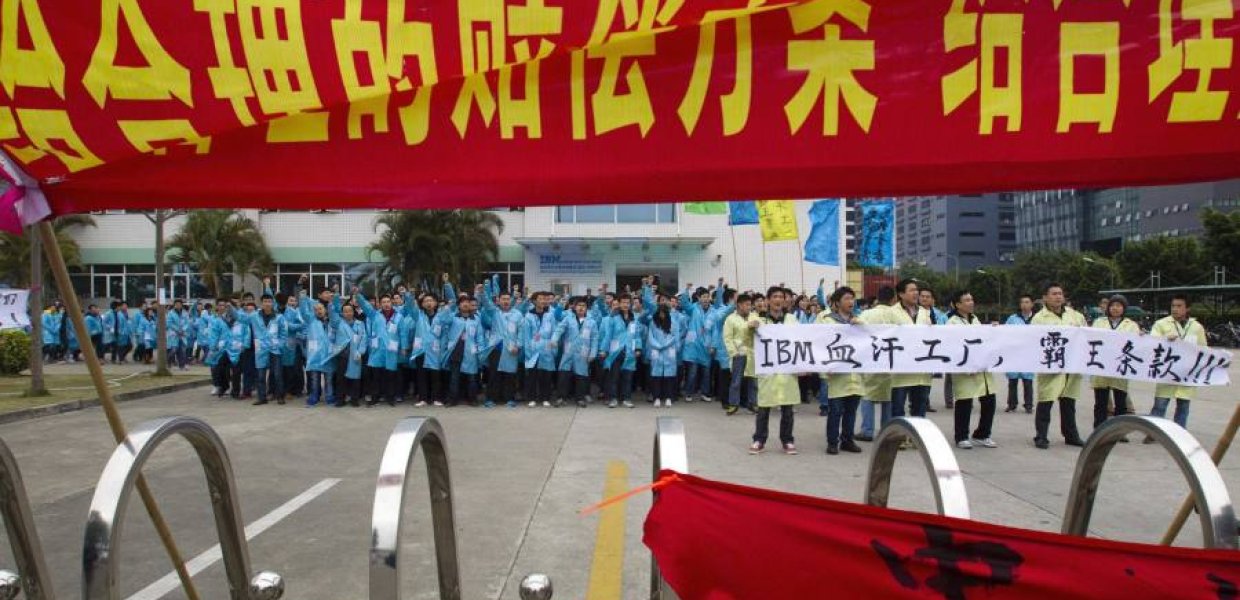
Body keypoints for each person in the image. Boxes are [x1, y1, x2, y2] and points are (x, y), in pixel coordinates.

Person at [1031, 282, 1087, 449]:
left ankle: (1071, 435)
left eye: (1060, 294)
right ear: (1045, 298)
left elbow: (1086, 335)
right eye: (1054, 294)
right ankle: (1041, 436)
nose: (1058, 297)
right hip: (1051, 366)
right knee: (1046, 401)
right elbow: (1035, 342)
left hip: (1071, 365)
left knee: (1069, 403)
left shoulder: (1075, 315)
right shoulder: (1039, 318)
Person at [1146, 294, 1207, 434]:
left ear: (1187, 308)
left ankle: (1179, 434)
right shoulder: (1161, 324)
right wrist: (1164, 339)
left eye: (1179, 306)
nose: (1175, 309)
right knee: (1160, 405)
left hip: (1187, 374)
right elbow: (1151, 342)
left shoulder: (1196, 327)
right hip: (1167, 372)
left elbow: (1204, 349)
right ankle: (1153, 433)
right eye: (1173, 306)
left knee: (1183, 406)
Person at [750, 286, 799, 455]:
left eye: (781, 296)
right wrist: (751, 327)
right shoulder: (759, 320)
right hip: (768, 370)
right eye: (775, 296)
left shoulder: (792, 319)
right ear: (768, 300)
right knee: (763, 408)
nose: (779, 299)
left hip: (787, 370)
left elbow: (802, 340)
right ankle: (759, 439)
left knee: (788, 409)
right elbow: (747, 338)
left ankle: (787, 440)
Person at [947, 291, 998, 449]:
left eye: (972, 299)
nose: (971, 302)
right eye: (967, 300)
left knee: (989, 400)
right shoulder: (952, 322)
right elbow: (953, 345)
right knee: (964, 402)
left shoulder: (975, 319)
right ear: (957, 304)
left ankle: (982, 434)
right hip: (965, 370)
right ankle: (961, 436)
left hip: (981, 369)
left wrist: (991, 329)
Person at [817, 287, 863, 455]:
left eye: (852, 298)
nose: (851, 302)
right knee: (835, 411)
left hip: (855, 374)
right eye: (847, 298)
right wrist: (824, 367)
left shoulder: (858, 321)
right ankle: (832, 442)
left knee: (851, 411)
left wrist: (862, 326)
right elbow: (819, 344)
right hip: (836, 374)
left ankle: (847, 440)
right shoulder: (827, 321)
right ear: (837, 303)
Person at [1090, 294, 1139, 430]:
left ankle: (1118, 431)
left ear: (1124, 308)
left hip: (1120, 368)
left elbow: (1136, 343)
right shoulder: (1100, 322)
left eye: (1119, 306)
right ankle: (1099, 428)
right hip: (1102, 368)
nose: (1115, 308)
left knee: (1121, 402)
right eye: (1113, 305)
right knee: (1101, 402)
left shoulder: (1131, 325)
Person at [855, 286, 896, 441]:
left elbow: (858, 330)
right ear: (894, 299)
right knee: (889, 397)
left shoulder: (867, 314)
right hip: (892, 359)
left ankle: (867, 430)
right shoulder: (897, 314)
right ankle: (887, 431)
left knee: (867, 395)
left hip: (871, 358)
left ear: (877, 298)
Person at [355, 289, 405, 407]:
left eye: (388, 301)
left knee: (391, 375)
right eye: (384, 302)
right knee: (376, 376)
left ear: (392, 302)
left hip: (391, 350)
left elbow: (402, 333)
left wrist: (403, 347)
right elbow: (365, 306)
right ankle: (375, 398)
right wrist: (358, 295)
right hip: (377, 350)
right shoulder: (375, 315)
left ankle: (390, 397)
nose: (386, 304)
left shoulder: (399, 317)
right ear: (380, 304)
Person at [890, 279, 932, 417]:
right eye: (912, 290)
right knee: (897, 411)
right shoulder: (891, 313)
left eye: (916, 290)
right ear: (901, 294)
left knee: (919, 410)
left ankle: (916, 437)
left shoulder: (924, 312)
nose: (916, 293)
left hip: (921, 371)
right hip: (900, 372)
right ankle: (898, 438)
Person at [480, 277, 523, 408]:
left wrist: (518, 345)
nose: (505, 301)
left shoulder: (518, 314)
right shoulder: (495, 313)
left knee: (510, 374)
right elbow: (487, 303)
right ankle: (490, 399)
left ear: (511, 300)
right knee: (494, 374)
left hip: (511, 348)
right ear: (498, 301)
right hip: (497, 347)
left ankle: (509, 398)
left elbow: (521, 331)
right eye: (503, 299)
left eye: (507, 299)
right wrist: (482, 293)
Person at [552, 296, 599, 408]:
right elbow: (559, 330)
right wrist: (554, 340)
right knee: (564, 375)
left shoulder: (591, 322)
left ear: (587, 308)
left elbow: (595, 339)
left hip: (583, 353)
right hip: (569, 351)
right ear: (574, 307)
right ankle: (561, 398)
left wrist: (593, 354)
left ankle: (580, 399)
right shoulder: (568, 319)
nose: (581, 308)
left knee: (581, 377)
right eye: (579, 305)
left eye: (583, 306)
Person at [598, 292, 642, 408]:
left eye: (628, 302)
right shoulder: (613, 318)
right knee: (614, 377)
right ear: (619, 304)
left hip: (629, 352)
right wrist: (603, 349)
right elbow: (608, 335)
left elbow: (637, 335)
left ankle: (626, 399)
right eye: (623, 302)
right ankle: (613, 399)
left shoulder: (634, 318)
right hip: (615, 352)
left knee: (627, 377)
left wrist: (638, 348)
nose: (625, 305)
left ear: (631, 304)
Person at [723, 293, 759, 415]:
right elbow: (727, 338)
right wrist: (733, 352)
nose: (750, 307)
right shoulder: (730, 319)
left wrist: (757, 326)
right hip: (738, 353)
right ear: (739, 305)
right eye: (747, 304)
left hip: (752, 353)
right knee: (736, 381)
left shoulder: (754, 316)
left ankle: (752, 403)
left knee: (753, 380)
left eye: (750, 304)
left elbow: (762, 331)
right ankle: (733, 404)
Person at [523, 291, 560, 407]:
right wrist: (528, 352)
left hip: (546, 348)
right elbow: (526, 336)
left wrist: (553, 348)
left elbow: (554, 332)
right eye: (540, 299)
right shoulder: (528, 316)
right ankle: (532, 398)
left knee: (546, 375)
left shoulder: (550, 316)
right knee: (532, 375)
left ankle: (545, 397)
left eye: (545, 299)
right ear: (534, 301)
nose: (543, 301)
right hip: (533, 349)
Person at [248, 294, 287, 406]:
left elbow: (284, 333)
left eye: (269, 301)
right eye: (265, 301)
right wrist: (231, 307)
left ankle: (280, 396)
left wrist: (280, 344)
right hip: (261, 349)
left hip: (275, 349)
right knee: (260, 375)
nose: (267, 304)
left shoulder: (279, 317)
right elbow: (242, 318)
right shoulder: (254, 316)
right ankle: (262, 398)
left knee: (277, 374)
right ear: (261, 303)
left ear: (273, 303)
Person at [1003, 295, 1037, 413]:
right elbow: (1004, 332)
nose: (1024, 304)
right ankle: (1011, 404)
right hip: (1014, 354)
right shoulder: (1012, 319)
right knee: (1013, 381)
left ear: (1032, 304)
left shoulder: (1037, 319)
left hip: (1029, 354)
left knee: (1028, 381)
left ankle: (1028, 405)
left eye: (1027, 302)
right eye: (1022, 302)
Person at [646, 303, 680, 408]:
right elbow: (650, 336)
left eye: (664, 313)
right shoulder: (653, 323)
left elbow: (675, 337)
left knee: (669, 377)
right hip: (657, 351)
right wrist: (657, 345)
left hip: (669, 351)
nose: (662, 315)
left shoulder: (673, 323)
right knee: (656, 376)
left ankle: (668, 397)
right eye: (660, 313)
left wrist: (665, 345)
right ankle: (657, 398)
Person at [920, 287, 948, 412]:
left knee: (928, 378)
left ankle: (925, 402)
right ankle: (919, 402)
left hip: (933, 350)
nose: (925, 299)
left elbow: (946, 330)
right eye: (923, 296)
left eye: (928, 297)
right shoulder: (914, 312)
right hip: (918, 350)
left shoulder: (939, 314)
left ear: (932, 299)